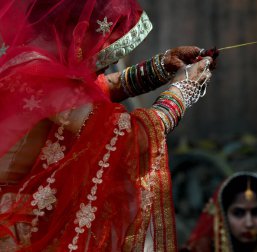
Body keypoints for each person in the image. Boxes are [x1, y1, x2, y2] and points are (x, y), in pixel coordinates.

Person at [0, 0, 214, 251]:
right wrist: (184, 91)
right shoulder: (42, 76)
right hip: (18, 234)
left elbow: (90, 94)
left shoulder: (24, 60)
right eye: (104, 49)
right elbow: (131, 137)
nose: (102, 64)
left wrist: (159, 68)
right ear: (80, 34)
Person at [181, 172, 257, 252]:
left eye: (256, 213)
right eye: (238, 213)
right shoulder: (202, 249)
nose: (249, 223)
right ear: (223, 216)